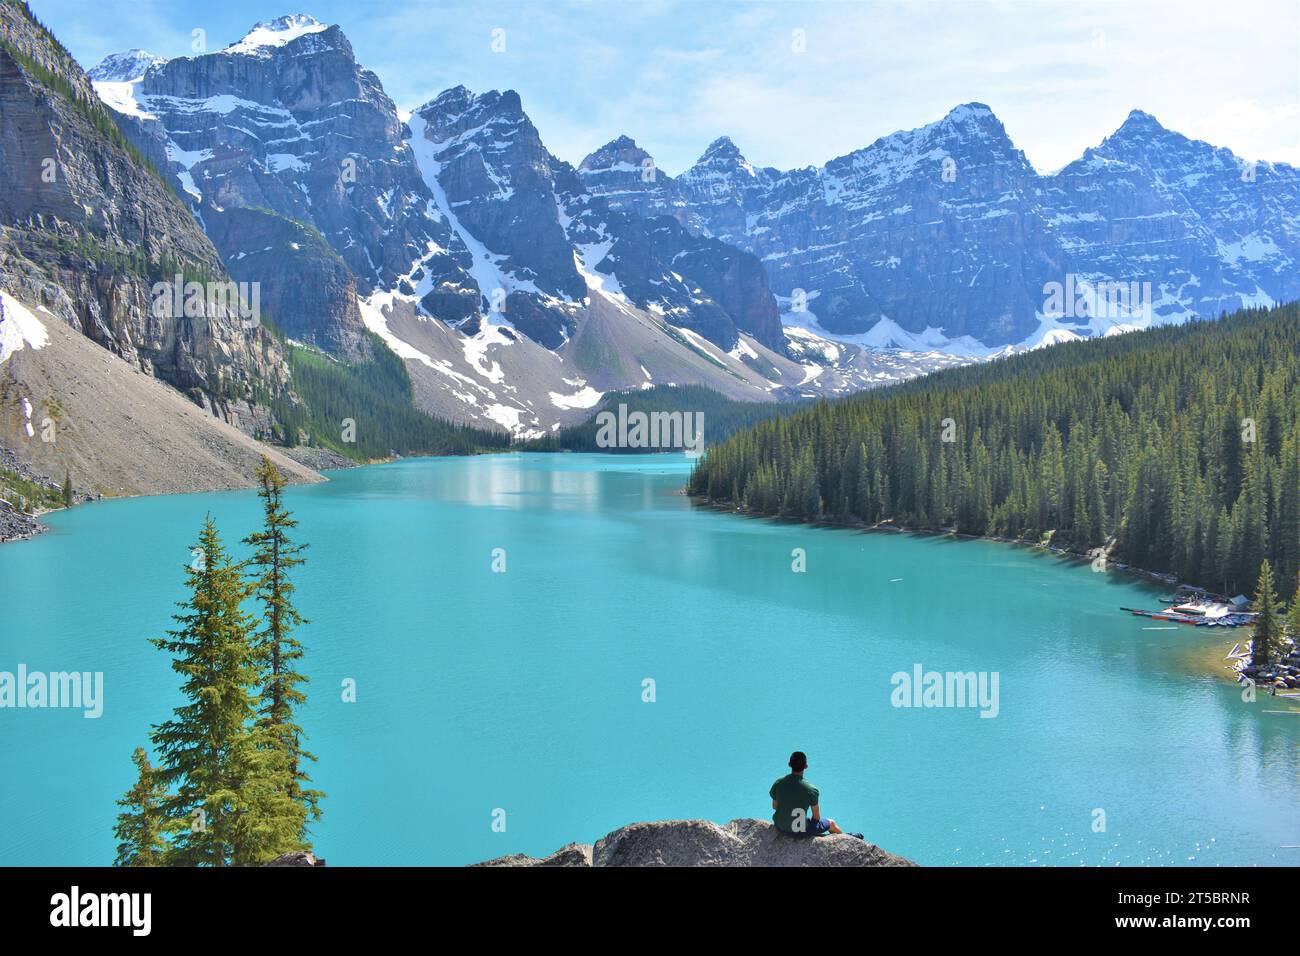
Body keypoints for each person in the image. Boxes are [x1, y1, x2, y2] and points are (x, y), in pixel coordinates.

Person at [769, 751, 863, 838]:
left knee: (807, 822)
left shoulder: (778, 783)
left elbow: (775, 806)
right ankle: (847, 838)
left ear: (789, 765)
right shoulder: (811, 789)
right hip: (798, 831)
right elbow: (816, 817)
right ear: (806, 766)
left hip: (780, 826)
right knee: (831, 823)